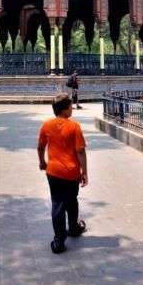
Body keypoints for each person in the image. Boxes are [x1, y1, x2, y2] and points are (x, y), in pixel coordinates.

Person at [37, 93, 88, 254]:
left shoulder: (46, 125)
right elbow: (80, 151)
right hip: (71, 172)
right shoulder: (74, 127)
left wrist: (42, 162)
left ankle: (59, 241)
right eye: (70, 106)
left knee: (57, 204)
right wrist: (84, 172)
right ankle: (72, 227)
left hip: (53, 172)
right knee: (72, 201)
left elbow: (40, 147)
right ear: (65, 110)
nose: (72, 108)